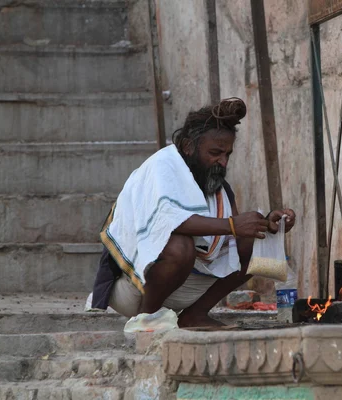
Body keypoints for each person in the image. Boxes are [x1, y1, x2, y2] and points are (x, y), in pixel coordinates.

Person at [90, 97, 295, 327]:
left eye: (227, 154)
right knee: (180, 246)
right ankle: (146, 322)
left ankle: (193, 315)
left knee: (254, 245)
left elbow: (234, 233)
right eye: (216, 152)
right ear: (189, 146)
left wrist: (266, 224)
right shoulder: (162, 166)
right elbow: (168, 223)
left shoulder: (216, 184)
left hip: (184, 286)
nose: (223, 162)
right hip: (133, 285)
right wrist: (232, 225)